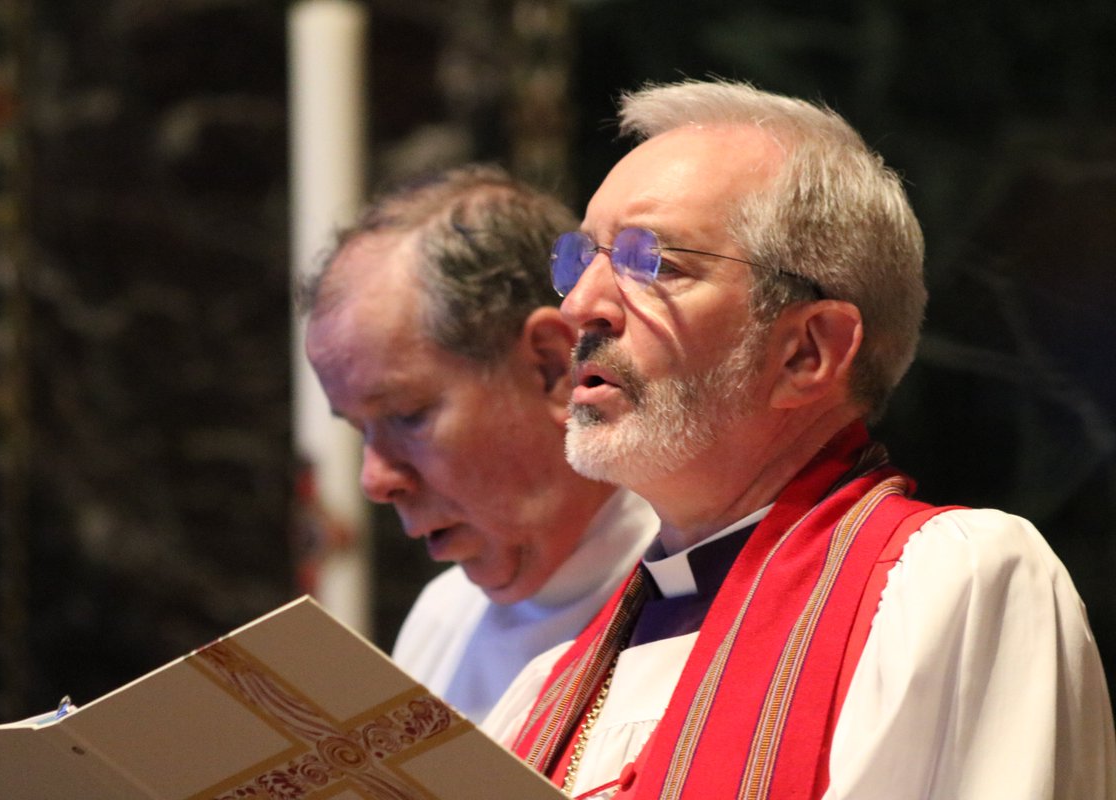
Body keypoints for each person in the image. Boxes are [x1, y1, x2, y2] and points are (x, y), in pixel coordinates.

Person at [484, 79, 1116, 799]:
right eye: (582, 260)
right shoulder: (546, 692)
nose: (580, 307)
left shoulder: (952, 586)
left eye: (651, 264)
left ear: (807, 352)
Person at [300, 164, 659, 724]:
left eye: (406, 415)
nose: (375, 480)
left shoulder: (709, 602)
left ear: (550, 367)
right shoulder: (441, 619)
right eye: (359, 430)